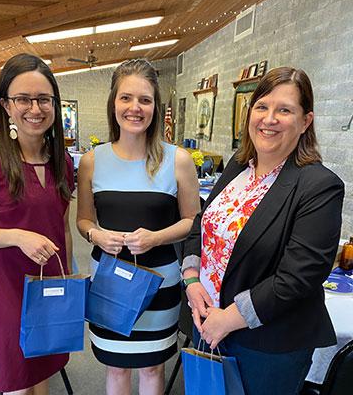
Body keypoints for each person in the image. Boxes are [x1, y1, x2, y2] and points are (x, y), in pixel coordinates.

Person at [181, 67, 344, 395]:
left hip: (266, 344)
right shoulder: (238, 166)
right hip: (207, 319)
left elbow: (297, 278)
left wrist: (226, 320)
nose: (269, 118)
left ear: (305, 121)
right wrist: (192, 279)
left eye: (284, 110)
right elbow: (202, 224)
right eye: (262, 107)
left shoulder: (318, 186)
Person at [0, 53, 74, 395]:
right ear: (5, 104)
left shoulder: (61, 161)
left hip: (50, 285)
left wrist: (70, 274)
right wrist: (16, 236)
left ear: (54, 103)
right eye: (23, 98)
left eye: (43, 99)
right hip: (8, 289)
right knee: (18, 383)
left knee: (43, 372)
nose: (34, 109)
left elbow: (60, 225)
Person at [77, 59, 200, 395]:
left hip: (161, 282)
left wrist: (156, 237)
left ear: (154, 108)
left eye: (144, 100)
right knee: (115, 367)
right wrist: (97, 234)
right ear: (113, 103)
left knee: (152, 367)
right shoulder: (92, 161)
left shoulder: (178, 160)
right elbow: (83, 220)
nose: (135, 108)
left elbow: (193, 220)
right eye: (126, 98)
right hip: (110, 281)